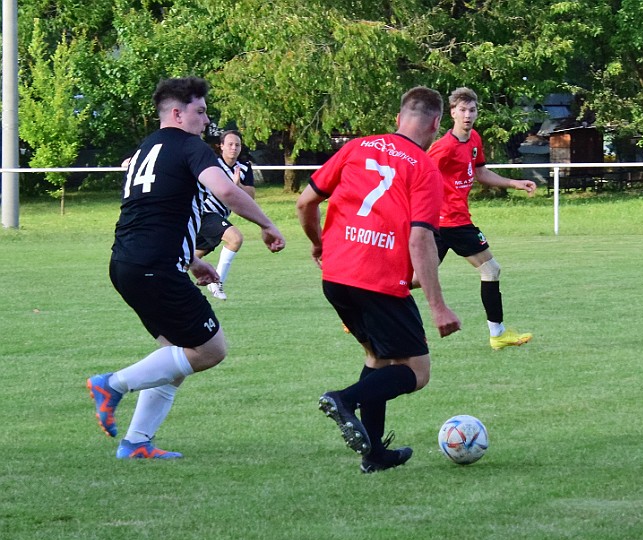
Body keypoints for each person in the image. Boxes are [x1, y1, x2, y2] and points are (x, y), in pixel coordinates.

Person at [87, 76, 285, 459]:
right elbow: (225, 190)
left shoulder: (148, 147)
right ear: (177, 113)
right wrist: (267, 224)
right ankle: (111, 384)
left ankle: (137, 443)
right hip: (154, 267)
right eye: (200, 110)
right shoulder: (188, 146)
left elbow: (152, 214)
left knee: (175, 355)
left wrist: (193, 261)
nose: (206, 118)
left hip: (127, 262)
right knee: (211, 350)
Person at [296, 86, 461, 473]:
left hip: (336, 276)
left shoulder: (356, 147)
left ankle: (374, 455)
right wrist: (438, 306)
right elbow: (421, 238)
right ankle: (343, 399)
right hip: (377, 280)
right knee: (416, 372)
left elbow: (305, 202)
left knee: (378, 358)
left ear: (398, 118)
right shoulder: (424, 168)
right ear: (436, 124)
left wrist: (319, 244)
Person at [415, 86, 535, 350]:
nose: (467, 115)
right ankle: (498, 334)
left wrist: (514, 183)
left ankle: (367, 298)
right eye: (462, 110)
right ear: (453, 114)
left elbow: (480, 173)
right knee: (490, 269)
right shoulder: (443, 148)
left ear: (476, 112)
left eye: (472, 110)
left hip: (449, 221)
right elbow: (419, 176)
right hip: (451, 221)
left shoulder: (473, 140)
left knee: (416, 278)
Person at [196, 129, 256, 301]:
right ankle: (217, 282)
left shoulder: (244, 167)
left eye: (237, 145)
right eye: (229, 144)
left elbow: (250, 195)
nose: (233, 148)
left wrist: (238, 186)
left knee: (189, 259)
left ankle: (161, 283)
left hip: (219, 218)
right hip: (205, 213)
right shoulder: (212, 164)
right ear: (221, 146)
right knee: (235, 238)